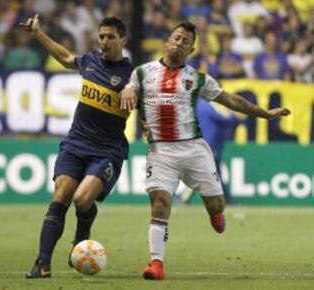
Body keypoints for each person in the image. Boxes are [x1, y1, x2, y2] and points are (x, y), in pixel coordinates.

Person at [120, 22, 290, 280]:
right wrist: (127, 91)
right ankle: (156, 264)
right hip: (160, 151)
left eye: (185, 41)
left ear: (191, 49)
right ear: (167, 41)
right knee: (161, 203)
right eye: (176, 38)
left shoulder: (197, 78)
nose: (179, 43)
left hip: (194, 150)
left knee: (216, 204)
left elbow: (231, 99)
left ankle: (216, 213)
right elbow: (129, 89)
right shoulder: (143, 73)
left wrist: (263, 113)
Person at [19, 15, 132, 279]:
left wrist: (149, 125)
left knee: (82, 200)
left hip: (107, 150)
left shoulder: (132, 76)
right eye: (101, 36)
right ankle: (42, 263)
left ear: (122, 40)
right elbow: (67, 58)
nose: (104, 41)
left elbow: (148, 107)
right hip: (75, 143)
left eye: (110, 37)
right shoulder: (91, 60)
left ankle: (82, 234)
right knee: (60, 198)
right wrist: (38, 32)